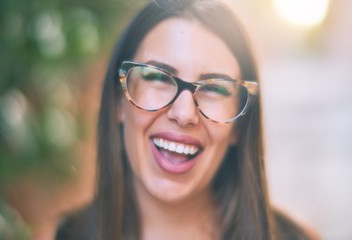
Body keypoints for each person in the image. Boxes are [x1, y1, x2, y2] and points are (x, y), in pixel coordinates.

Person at [57, 0, 318, 239]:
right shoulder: (68, 234)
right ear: (118, 100)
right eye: (158, 77)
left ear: (239, 124)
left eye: (215, 88)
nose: (183, 114)